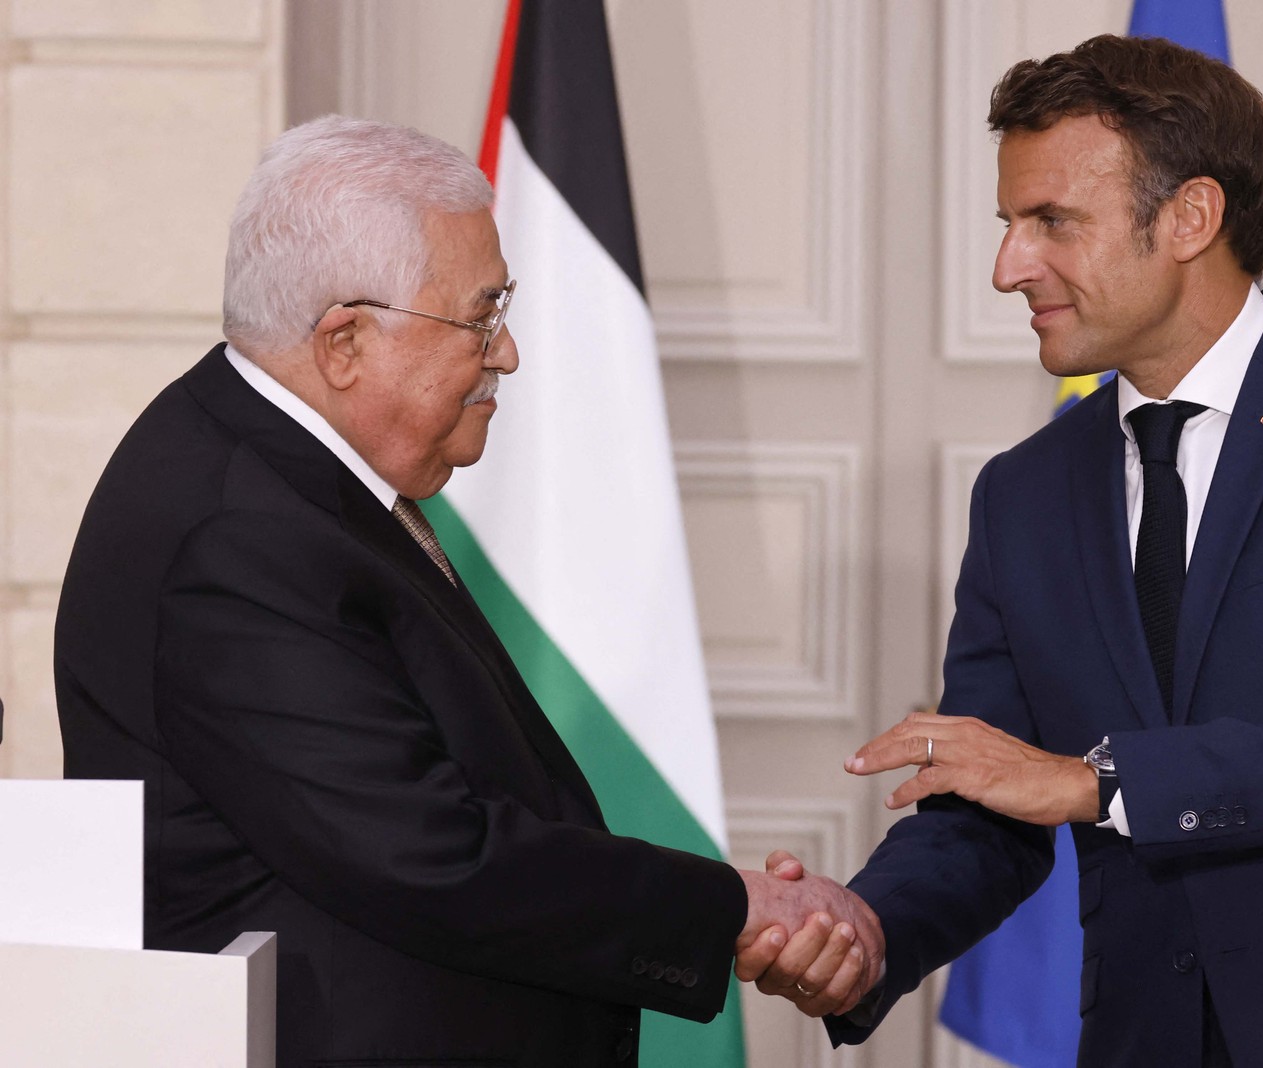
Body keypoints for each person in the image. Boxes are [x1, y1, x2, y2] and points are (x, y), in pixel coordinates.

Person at [739, 34, 1263, 1067]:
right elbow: (992, 799)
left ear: (1190, 217)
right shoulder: (1022, 492)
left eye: (1050, 221)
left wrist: (1102, 783)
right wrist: (867, 928)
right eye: (1011, 224)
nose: (1008, 266)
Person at [54, 115, 880, 1068]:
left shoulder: (282, 477)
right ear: (345, 342)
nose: (509, 352)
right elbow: (423, 852)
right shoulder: (236, 533)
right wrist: (736, 910)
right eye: (480, 316)